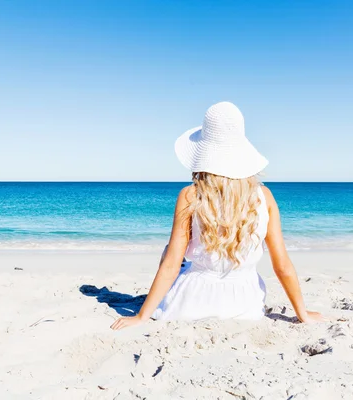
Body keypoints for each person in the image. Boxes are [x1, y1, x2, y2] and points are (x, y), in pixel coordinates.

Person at [111, 101, 326, 330]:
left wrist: (143, 316)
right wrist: (302, 313)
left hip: (192, 303)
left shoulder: (191, 195)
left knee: (169, 252)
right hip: (245, 304)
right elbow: (281, 265)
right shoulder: (264, 197)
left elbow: (172, 264)